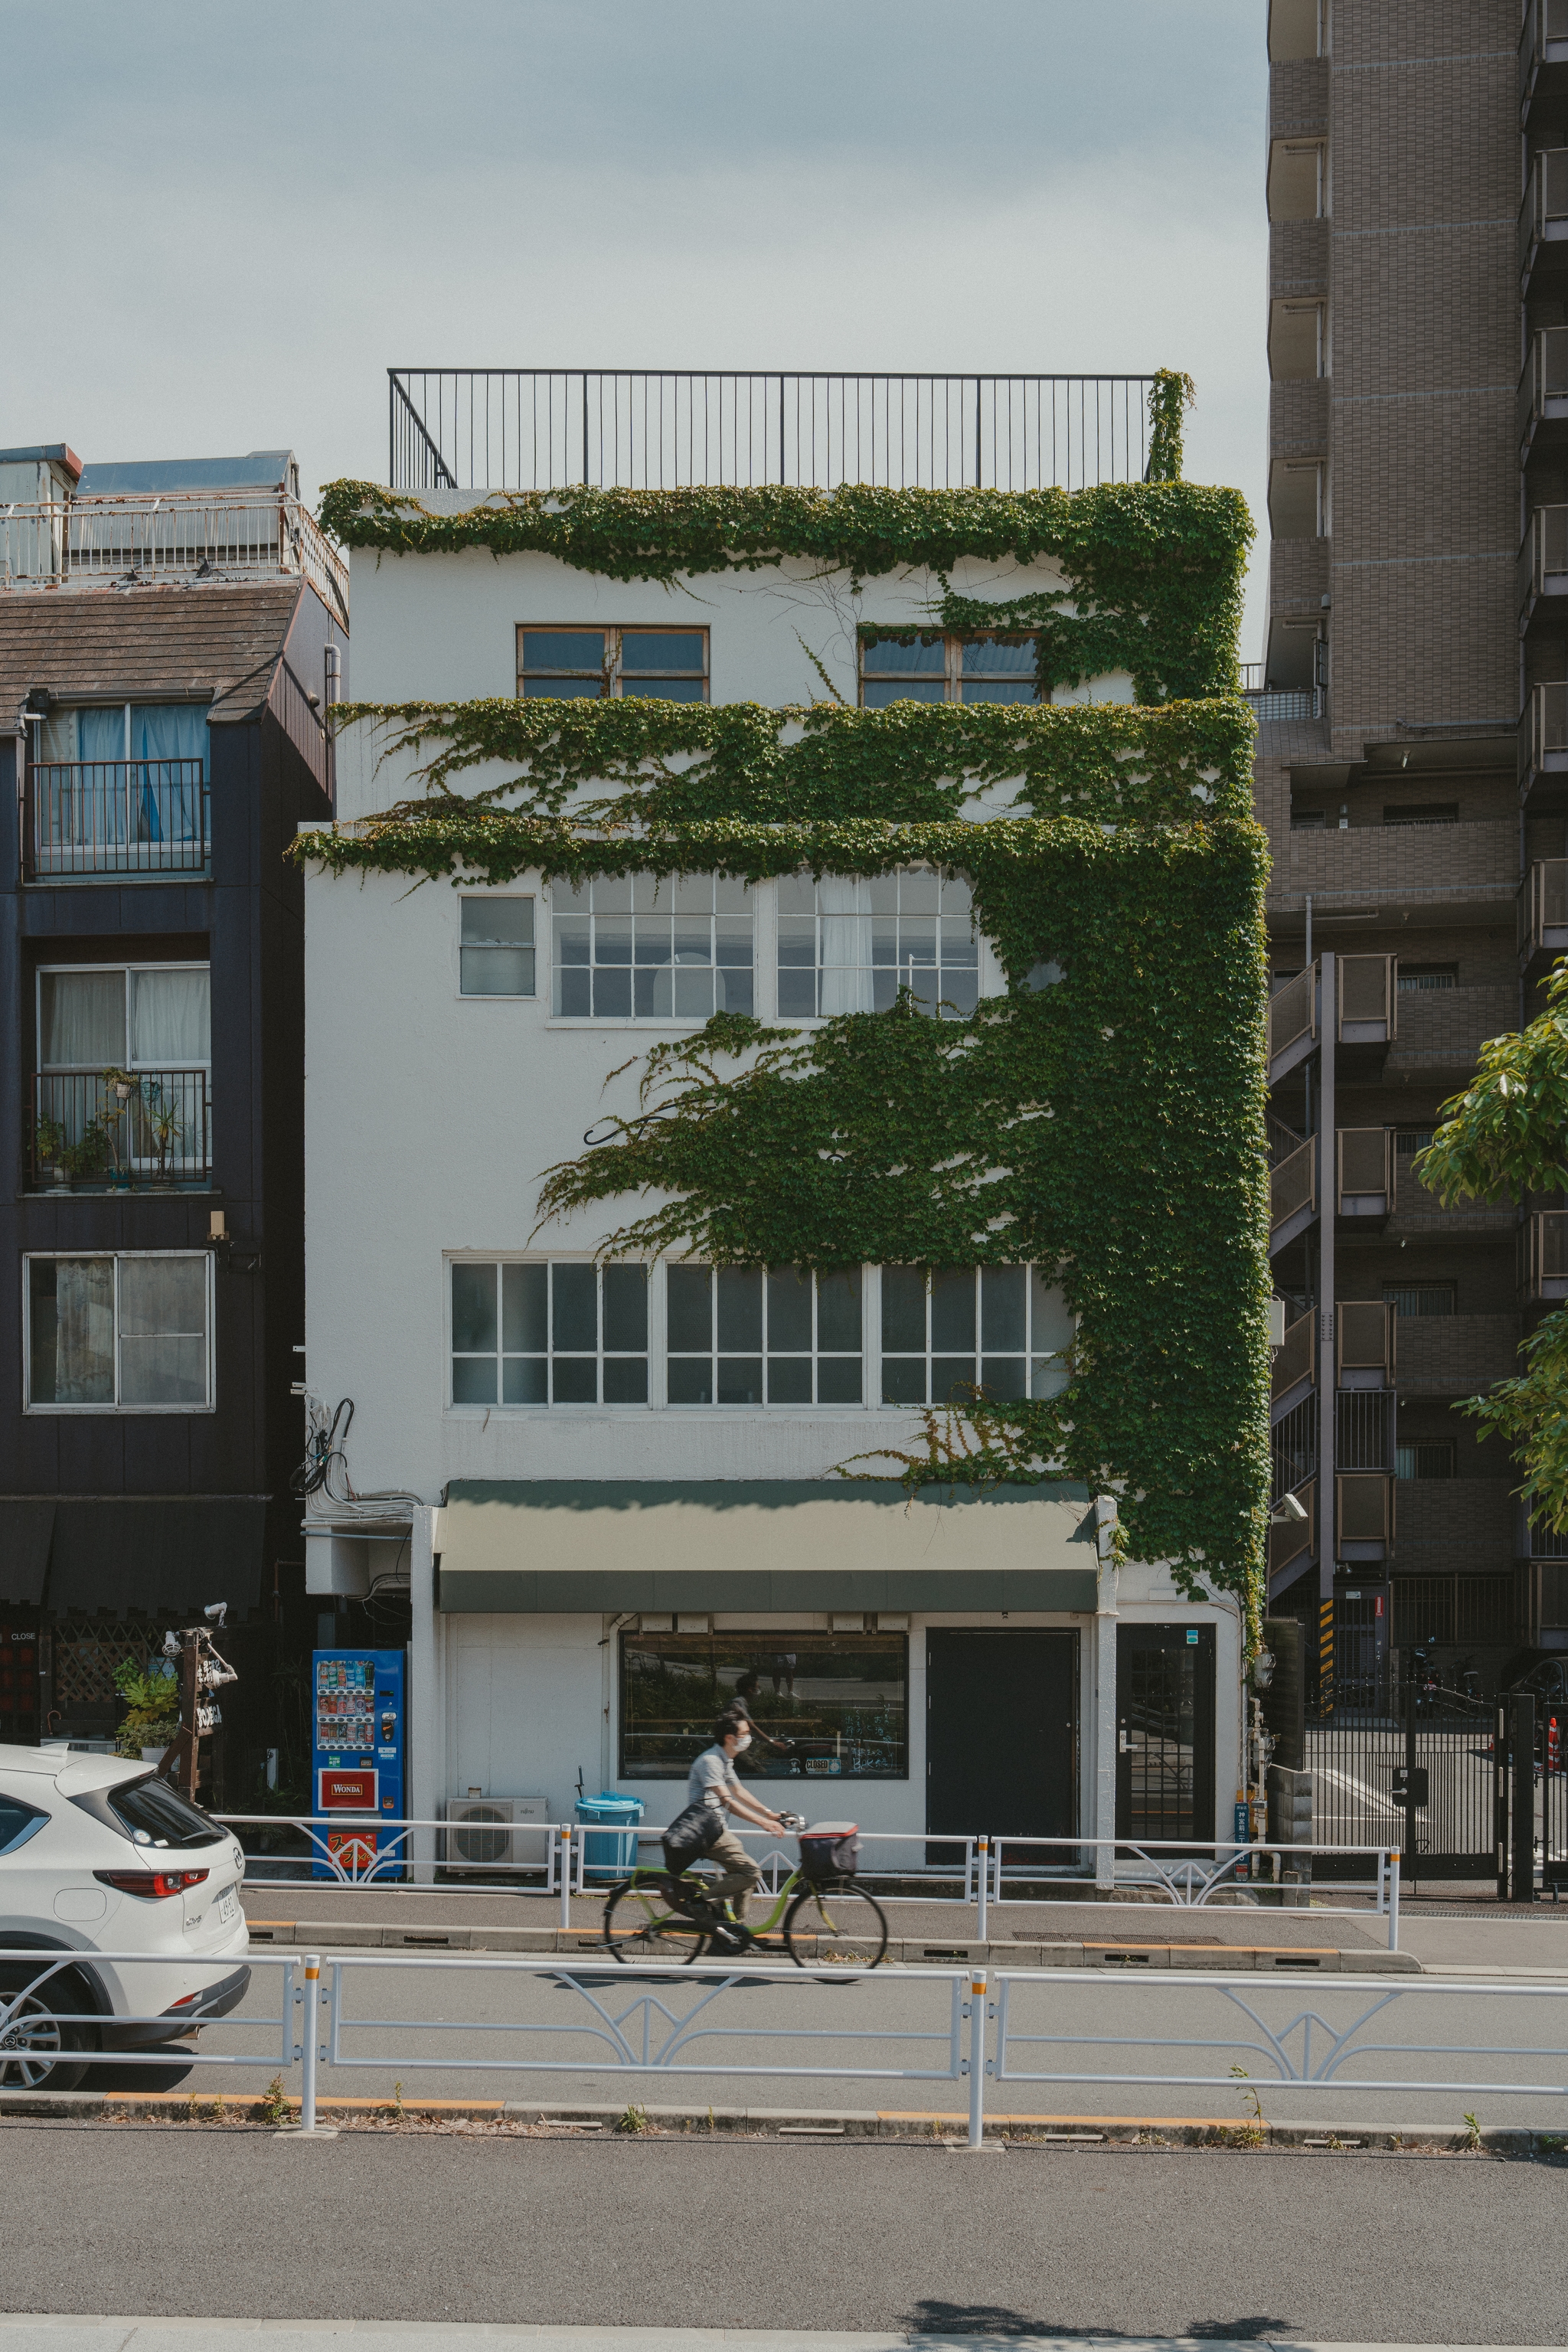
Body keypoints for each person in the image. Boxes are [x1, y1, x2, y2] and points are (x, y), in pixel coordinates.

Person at [686, 1703, 787, 1945]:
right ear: (730, 1738)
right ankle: (700, 1902)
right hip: (705, 1831)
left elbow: (739, 1790)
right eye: (745, 1734)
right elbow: (728, 1801)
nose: (749, 1738)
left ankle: (735, 1932)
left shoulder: (725, 1759)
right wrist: (763, 1822)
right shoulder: (710, 1761)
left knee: (742, 1875)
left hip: (716, 1829)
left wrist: (770, 1814)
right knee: (751, 1872)